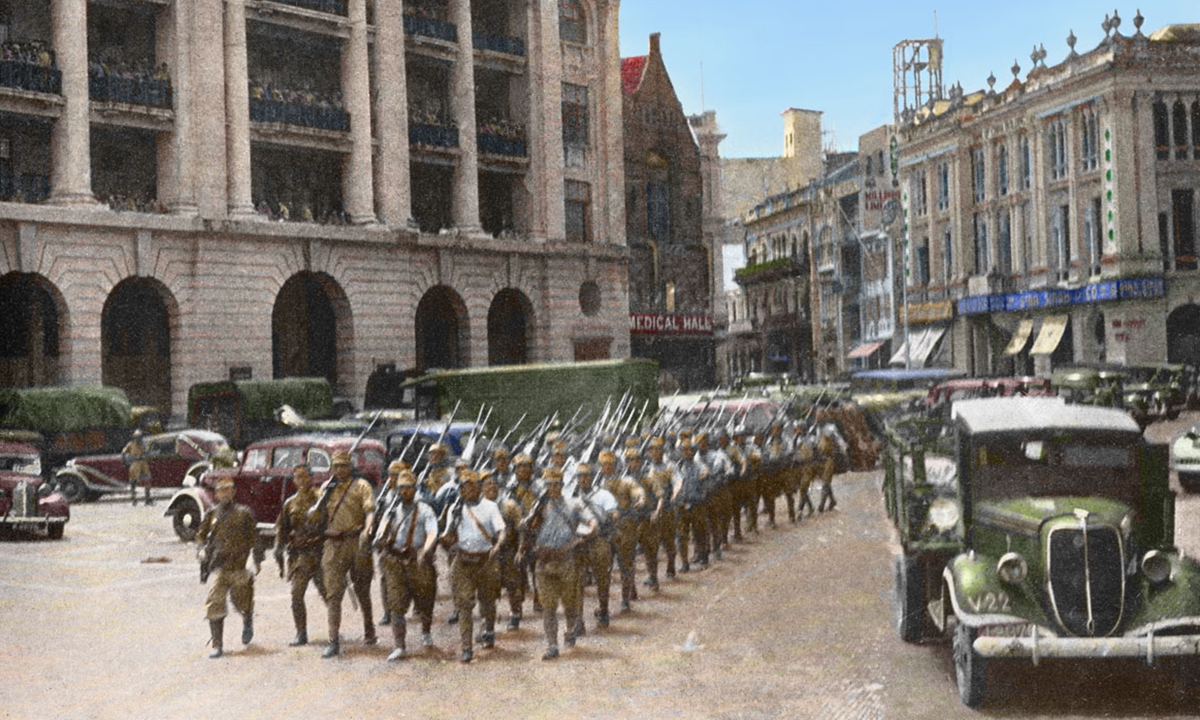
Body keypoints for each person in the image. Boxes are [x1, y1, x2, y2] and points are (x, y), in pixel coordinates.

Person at [519, 467, 596, 660]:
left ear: (562, 485)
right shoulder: (539, 506)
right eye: (548, 485)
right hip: (545, 561)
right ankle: (552, 645)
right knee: (548, 607)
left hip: (566, 560)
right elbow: (526, 529)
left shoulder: (574, 503)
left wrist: (582, 539)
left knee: (569, 604)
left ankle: (571, 631)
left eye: (555, 484)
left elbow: (592, 522)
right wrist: (523, 547)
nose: (552, 488)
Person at [317, 450, 377, 658]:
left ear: (350, 466)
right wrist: (324, 530)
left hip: (355, 541)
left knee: (362, 589)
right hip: (334, 544)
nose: (340, 470)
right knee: (333, 594)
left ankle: (369, 628)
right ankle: (333, 640)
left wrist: (367, 529)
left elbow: (370, 510)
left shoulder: (361, 486)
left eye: (343, 465)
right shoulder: (326, 488)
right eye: (336, 466)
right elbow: (318, 515)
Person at [441, 470, 506, 663]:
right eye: (463, 487)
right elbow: (448, 534)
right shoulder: (455, 507)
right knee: (464, 605)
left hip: (486, 559)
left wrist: (498, 545)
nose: (466, 490)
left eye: (470, 486)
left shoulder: (490, 506)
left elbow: (501, 530)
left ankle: (489, 630)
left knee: (488, 601)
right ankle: (467, 646)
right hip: (463, 561)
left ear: (478, 487)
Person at [196, 477, 262, 658]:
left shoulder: (244, 513)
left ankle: (247, 619)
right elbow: (201, 536)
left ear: (233, 493)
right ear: (216, 494)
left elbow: (255, 538)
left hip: (239, 566)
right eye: (221, 491)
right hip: (221, 567)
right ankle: (217, 644)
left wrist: (257, 560)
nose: (224, 494)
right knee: (214, 602)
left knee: (242, 601)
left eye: (228, 490)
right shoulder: (211, 514)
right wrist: (201, 550)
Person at [378, 470, 439, 661]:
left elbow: (432, 532)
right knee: (396, 603)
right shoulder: (391, 510)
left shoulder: (425, 510)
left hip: (417, 560)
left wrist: (425, 550)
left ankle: (426, 631)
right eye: (401, 488)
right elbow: (381, 533)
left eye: (408, 488)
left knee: (425, 599)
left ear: (415, 490)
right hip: (395, 561)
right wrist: (381, 538)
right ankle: (399, 645)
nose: (404, 492)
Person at [273, 465, 326, 646]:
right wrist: (279, 549)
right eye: (298, 477)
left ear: (311, 478)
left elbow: (329, 524)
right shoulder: (290, 503)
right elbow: (282, 529)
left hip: (320, 554)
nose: (302, 481)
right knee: (296, 594)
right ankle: (301, 632)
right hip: (300, 557)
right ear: (294, 481)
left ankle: (335, 629)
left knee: (329, 594)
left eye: (305, 477)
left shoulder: (320, 499)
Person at [596, 450, 645, 612]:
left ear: (616, 466)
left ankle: (625, 600)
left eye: (610, 465)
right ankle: (604, 606)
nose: (606, 468)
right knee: (603, 569)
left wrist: (641, 499)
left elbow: (637, 490)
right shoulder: (597, 486)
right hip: (605, 532)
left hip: (624, 529)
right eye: (603, 465)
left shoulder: (626, 481)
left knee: (626, 565)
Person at [572, 462, 616, 630]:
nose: (583, 479)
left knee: (602, 578)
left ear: (592, 477)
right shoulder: (572, 497)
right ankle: (578, 620)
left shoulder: (603, 495)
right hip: (579, 543)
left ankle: (603, 611)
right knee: (577, 581)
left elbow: (614, 514)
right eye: (580, 477)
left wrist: (608, 523)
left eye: (586, 476)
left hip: (599, 540)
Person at [123, 430, 152, 506]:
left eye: (140, 437)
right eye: (137, 437)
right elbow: (123, 452)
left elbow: (148, 452)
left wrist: (145, 453)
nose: (139, 439)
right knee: (133, 482)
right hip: (135, 464)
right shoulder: (130, 444)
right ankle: (133, 499)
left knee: (147, 480)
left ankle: (147, 499)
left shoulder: (144, 444)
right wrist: (126, 462)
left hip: (143, 464)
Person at [817, 432, 838, 512]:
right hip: (822, 462)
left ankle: (822, 504)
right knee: (826, 482)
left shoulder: (829, 431)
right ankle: (832, 500)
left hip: (828, 461)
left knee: (825, 482)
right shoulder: (817, 430)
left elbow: (832, 447)